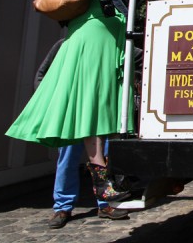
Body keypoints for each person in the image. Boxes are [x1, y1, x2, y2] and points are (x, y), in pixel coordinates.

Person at [6, 0, 143, 220]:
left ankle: (105, 202)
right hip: (89, 42)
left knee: (104, 124)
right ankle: (63, 205)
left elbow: (138, 2)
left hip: (115, 44)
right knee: (75, 132)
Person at [34, 39, 128, 229]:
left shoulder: (108, 44)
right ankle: (62, 207)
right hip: (71, 114)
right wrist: (49, 104)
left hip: (98, 115)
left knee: (105, 159)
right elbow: (41, 75)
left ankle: (105, 204)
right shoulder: (64, 45)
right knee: (67, 160)